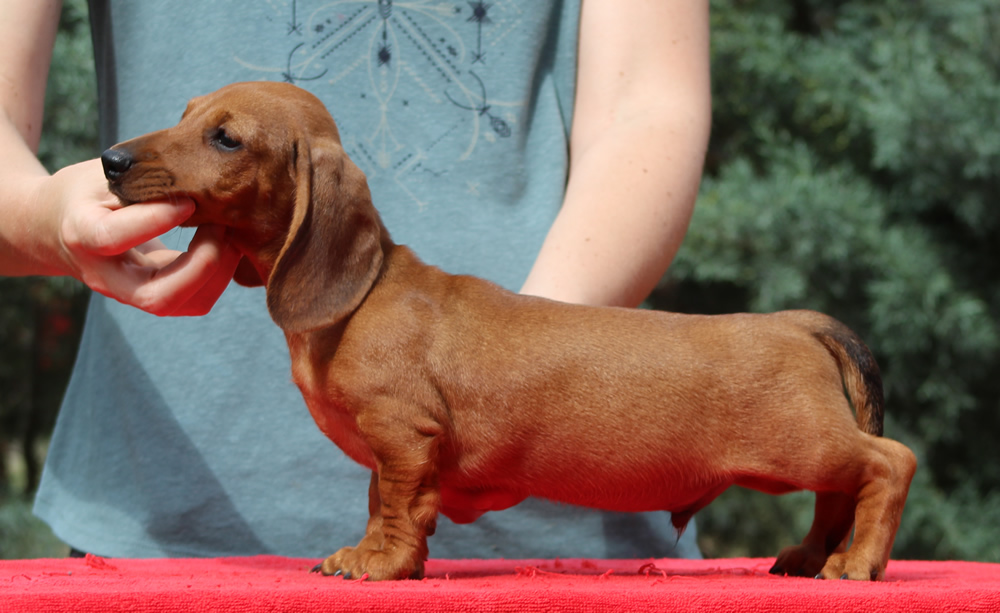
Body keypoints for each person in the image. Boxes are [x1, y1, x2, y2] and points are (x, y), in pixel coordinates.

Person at [0, 0, 712, 560]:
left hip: (567, 524)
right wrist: (42, 215)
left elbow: (648, 109)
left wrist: (514, 378)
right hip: (157, 528)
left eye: (220, 137)